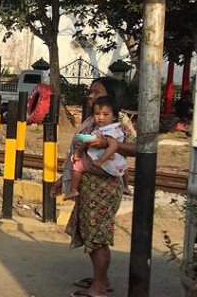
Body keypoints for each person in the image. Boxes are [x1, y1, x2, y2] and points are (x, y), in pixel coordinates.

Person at [58, 76, 135, 297]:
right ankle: (102, 278)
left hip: (104, 185)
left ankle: (99, 288)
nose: (91, 96)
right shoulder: (96, 119)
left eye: (96, 92)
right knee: (90, 231)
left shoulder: (118, 120)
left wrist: (111, 144)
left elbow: (138, 147)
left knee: (97, 235)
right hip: (89, 183)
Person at [65, 96, 127, 200]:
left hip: (106, 164)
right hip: (106, 165)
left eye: (105, 114)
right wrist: (78, 152)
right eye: (97, 114)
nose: (101, 117)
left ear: (114, 117)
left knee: (77, 166)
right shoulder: (99, 128)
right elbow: (87, 141)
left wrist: (101, 160)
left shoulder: (112, 131)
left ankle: (73, 190)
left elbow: (114, 145)